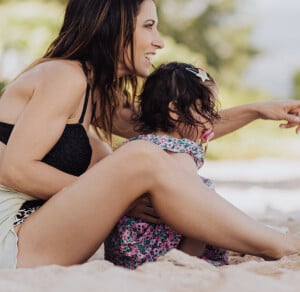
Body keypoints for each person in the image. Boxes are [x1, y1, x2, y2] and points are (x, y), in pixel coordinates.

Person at [0, 0, 300, 269]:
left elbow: (176, 128)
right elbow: (15, 170)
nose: (158, 42)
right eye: (149, 26)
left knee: (135, 152)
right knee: (139, 155)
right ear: (113, 27)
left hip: (39, 233)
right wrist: (117, 197)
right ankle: (276, 243)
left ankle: (261, 237)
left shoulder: (97, 93)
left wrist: (256, 111)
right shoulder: (64, 76)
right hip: (12, 239)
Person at [105, 62, 230, 269]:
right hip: (156, 253)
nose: (210, 120)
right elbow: (197, 204)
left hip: (125, 251)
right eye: (205, 110)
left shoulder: (139, 144)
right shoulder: (179, 150)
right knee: (204, 198)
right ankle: (186, 260)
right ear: (174, 111)